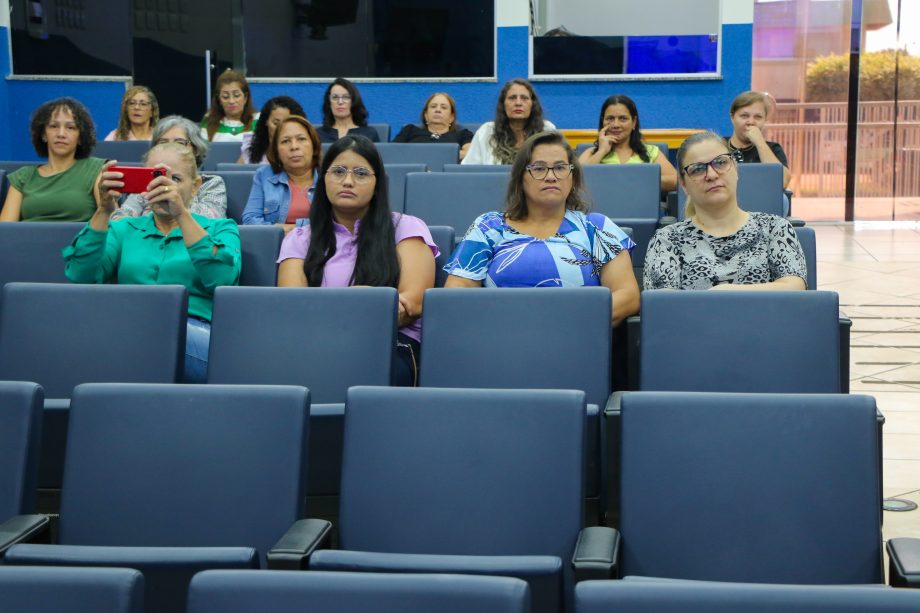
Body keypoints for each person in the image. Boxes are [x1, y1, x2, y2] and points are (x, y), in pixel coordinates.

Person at [64, 142, 241, 383]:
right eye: (155, 178)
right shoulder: (123, 228)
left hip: (193, 333)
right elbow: (81, 276)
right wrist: (104, 210)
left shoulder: (220, 228)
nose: (164, 187)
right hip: (128, 328)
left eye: (175, 179)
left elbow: (223, 279)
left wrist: (181, 214)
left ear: (196, 185)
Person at [277, 135, 438, 386]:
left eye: (361, 173)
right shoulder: (300, 238)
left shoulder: (405, 227)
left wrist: (340, 311)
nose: (348, 181)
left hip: (389, 344)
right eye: (338, 171)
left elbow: (412, 304)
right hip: (317, 345)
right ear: (324, 179)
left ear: (377, 184)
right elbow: (293, 308)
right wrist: (363, 303)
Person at [445, 131, 640, 327]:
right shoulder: (489, 226)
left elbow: (628, 295)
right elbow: (456, 292)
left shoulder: (596, 227)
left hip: (577, 339)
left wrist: (563, 323)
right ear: (520, 178)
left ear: (573, 176)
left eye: (560, 168)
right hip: (500, 337)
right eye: (539, 168)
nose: (551, 176)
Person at [643, 131, 806, 291]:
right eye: (698, 169)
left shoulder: (775, 228)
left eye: (720, 162)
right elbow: (663, 306)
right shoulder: (667, 240)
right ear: (684, 185)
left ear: (735, 169)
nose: (712, 175)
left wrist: (730, 293)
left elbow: (794, 287)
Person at [1, 97, 106, 222]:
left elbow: (109, 219)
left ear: (80, 137)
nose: (61, 134)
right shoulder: (23, 177)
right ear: (44, 134)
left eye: (70, 127)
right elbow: (5, 231)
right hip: (27, 240)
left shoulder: (97, 169)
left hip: (79, 241)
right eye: (54, 126)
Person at [111, 115, 227, 220]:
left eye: (180, 142)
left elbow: (211, 219)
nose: (171, 147)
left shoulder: (210, 183)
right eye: (163, 142)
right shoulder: (148, 182)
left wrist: (175, 206)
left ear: (195, 149)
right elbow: (120, 219)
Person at [577, 94, 677, 191]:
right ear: (603, 121)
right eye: (610, 119)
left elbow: (675, 180)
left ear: (634, 122)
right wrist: (601, 151)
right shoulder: (591, 153)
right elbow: (575, 182)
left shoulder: (650, 152)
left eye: (623, 118)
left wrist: (638, 180)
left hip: (642, 206)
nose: (615, 124)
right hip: (600, 207)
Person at [242, 115, 321, 230]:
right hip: (275, 245)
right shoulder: (264, 175)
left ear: (314, 145)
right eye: (285, 141)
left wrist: (292, 229)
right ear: (276, 150)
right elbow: (249, 220)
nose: (294, 146)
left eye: (301, 139)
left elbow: (334, 222)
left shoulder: (328, 175)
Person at [462, 78, 556, 165]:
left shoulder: (547, 130)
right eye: (512, 98)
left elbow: (559, 167)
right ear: (503, 104)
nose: (518, 103)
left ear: (532, 104)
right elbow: (468, 170)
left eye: (524, 98)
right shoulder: (486, 131)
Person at [726, 90, 791, 189]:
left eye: (758, 117)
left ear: (764, 120)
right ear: (732, 117)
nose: (751, 122)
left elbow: (782, 182)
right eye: (744, 116)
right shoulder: (718, 145)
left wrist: (759, 142)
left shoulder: (773, 149)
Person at [393, 92, 474, 159]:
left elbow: (471, 154)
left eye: (444, 107)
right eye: (433, 106)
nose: (438, 110)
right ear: (426, 115)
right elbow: (391, 152)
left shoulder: (463, 135)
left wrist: (434, 154)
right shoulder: (409, 130)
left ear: (451, 117)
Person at [238, 96, 306, 164]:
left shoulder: (302, 148)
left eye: (286, 123)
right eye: (276, 123)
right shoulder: (251, 146)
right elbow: (239, 173)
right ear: (266, 121)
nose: (280, 128)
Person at [201, 69, 258, 142]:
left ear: (245, 98)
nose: (231, 101)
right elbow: (203, 151)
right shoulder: (208, 122)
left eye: (236, 95)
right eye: (225, 97)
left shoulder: (258, 120)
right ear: (219, 100)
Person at [315, 78, 379, 143]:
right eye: (335, 97)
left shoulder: (369, 134)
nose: (340, 102)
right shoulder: (318, 134)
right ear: (329, 103)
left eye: (346, 97)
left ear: (354, 101)